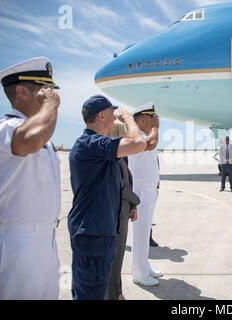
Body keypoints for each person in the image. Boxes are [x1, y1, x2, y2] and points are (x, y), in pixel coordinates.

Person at [0, 57, 62, 299]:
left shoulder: (43, 133)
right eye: (44, 90)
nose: (51, 94)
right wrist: (51, 106)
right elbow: (32, 140)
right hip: (17, 243)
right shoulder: (5, 127)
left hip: (46, 241)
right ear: (21, 91)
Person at [68, 95, 146, 300]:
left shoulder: (97, 145)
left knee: (97, 289)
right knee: (89, 294)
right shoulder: (90, 144)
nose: (116, 117)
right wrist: (129, 118)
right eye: (112, 113)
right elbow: (138, 143)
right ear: (102, 116)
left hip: (100, 231)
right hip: (92, 232)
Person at [128, 102, 163, 287]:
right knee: (140, 232)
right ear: (142, 120)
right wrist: (156, 127)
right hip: (140, 189)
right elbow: (151, 144)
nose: (155, 121)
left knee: (145, 229)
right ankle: (139, 273)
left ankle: (144, 266)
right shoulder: (140, 137)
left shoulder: (145, 135)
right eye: (152, 118)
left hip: (148, 188)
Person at [105, 120, 140, 300]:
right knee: (113, 262)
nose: (127, 136)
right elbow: (120, 189)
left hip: (123, 215)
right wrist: (136, 200)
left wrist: (132, 206)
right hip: (114, 218)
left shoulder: (121, 158)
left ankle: (117, 292)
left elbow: (128, 182)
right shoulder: (111, 159)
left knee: (117, 262)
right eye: (124, 132)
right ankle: (114, 295)